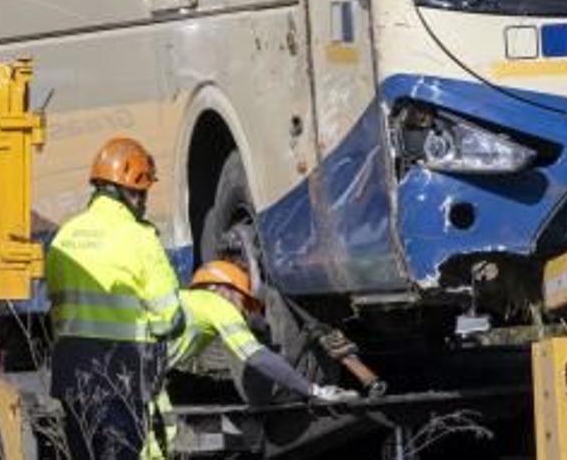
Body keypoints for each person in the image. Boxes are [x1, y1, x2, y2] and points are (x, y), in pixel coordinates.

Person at [46, 137, 185, 460]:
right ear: (131, 191)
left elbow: (54, 303)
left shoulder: (64, 236)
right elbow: (170, 319)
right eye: (143, 192)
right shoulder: (139, 238)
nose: (145, 202)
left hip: (70, 372)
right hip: (118, 372)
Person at [142, 260, 357, 460]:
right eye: (242, 300)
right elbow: (258, 358)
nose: (243, 310)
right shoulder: (217, 304)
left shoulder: (185, 302)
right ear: (225, 289)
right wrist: (313, 390)